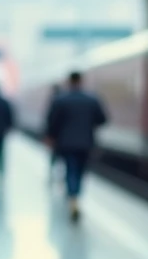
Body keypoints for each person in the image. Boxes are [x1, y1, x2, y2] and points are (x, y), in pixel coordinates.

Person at [44, 71, 108, 221]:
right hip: (86, 143)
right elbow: (103, 119)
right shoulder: (92, 99)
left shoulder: (60, 100)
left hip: (65, 143)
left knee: (70, 169)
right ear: (81, 81)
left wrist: (51, 137)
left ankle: (72, 199)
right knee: (80, 171)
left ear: (69, 81)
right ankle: (76, 197)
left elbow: (52, 122)